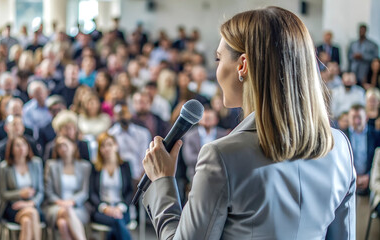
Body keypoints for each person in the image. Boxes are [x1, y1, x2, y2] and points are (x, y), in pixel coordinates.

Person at [141, 7, 355, 239]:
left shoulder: (221, 156)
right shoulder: (340, 147)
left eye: (218, 58)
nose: (216, 68)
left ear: (242, 65)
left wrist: (163, 182)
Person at [43, 136, 90, 240]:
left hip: (78, 207)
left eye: (65, 145)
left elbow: (84, 192)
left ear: (73, 146)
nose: (63, 148)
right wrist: (60, 202)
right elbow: (48, 191)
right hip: (55, 206)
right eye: (59, 146)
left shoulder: (85, 166)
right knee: (66, 213)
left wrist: (72, 202)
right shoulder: (51, 165)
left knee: (63, 223)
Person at [0, 136, 44, 240]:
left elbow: (40, 191)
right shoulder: (4, 167)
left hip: (32, 204)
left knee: (27, 221)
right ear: (11, 149)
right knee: (32, 213)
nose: (21, 148)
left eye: (24, 144)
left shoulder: (36, 163)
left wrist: (31, 203)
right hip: (13, 206)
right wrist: (20, 193)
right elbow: (3, 193)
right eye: (17, 145)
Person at [89, 133, 133, 240]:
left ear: (116, 146)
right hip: (102, 210)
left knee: (117, 222)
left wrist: (120, 208)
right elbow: (92, 193)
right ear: (99, 150)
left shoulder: (125, 165)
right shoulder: (96, 168)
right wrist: (105, 208)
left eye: (109, 144)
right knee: (117, 221)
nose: (106, 148)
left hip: (121, 208)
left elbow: (130, 191)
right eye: (102, 146)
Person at [344, 105, 380, 195]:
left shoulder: (376, 135)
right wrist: (353, 177)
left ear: (366, 117)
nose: (357, 121)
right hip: (348, 184)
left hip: (370, 184)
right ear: (349, 118)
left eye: (359, 117)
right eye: (353, 117)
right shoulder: (342, 136)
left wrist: (369, 176)